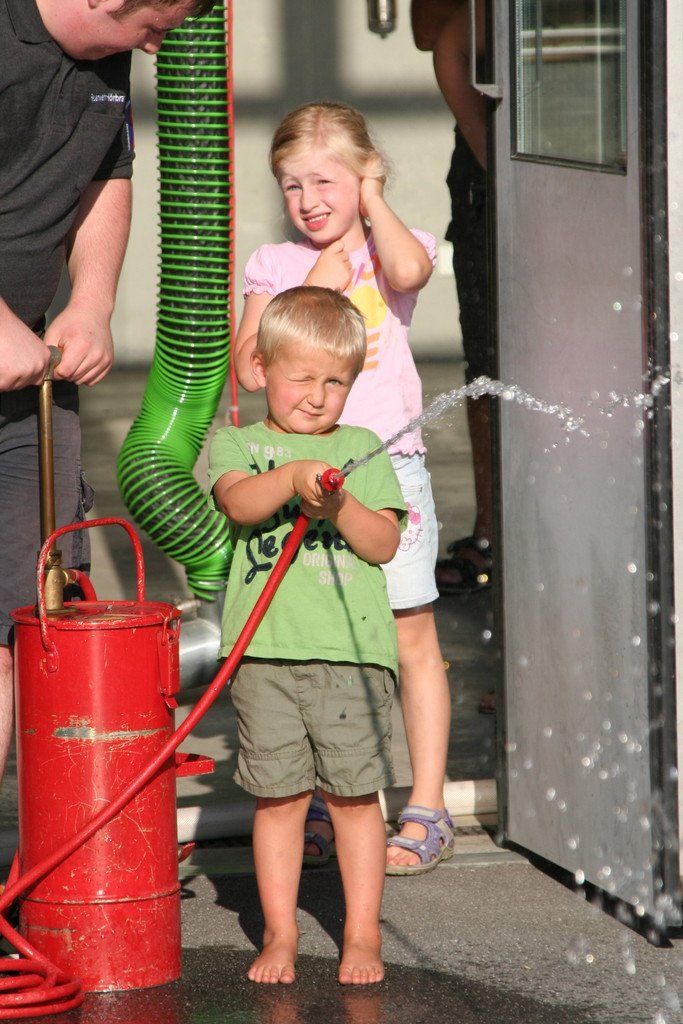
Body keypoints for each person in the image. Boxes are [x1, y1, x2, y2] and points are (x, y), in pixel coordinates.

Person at [233, 102, 455, 874]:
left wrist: (373, 201)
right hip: (301, 478)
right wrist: (312, 285)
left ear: (364, 176)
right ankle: (330, 797)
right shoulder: (275, 265)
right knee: (323, 641)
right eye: (291, 185)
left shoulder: (391, 250)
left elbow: (411, 273)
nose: (307, 200)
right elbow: (248, 370)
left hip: (390, 473)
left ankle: (426, 803)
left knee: (408, 635)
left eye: (325, 181)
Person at [0, 0, 215, 786]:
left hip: (27, 386)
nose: (157, 47)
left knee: (18, 622)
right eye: (155, 24)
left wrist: (91, 304)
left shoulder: (106, 55)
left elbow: (105, 175)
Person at [209, 286, 407, 984]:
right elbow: (239, 502)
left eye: (336, 382)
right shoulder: (239, 442)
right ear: (261, 368)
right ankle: (281, 933)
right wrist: (293, 477)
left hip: (351, 658)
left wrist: (340, 503)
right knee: (280, 798)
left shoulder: (360, 450)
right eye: (301, 378)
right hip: (264, 655)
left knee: (354, 799)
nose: (318, 398)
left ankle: (361, 934)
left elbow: (383, 543)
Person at [411, 0, 494, 600]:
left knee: (492, 363)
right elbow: (437, 38)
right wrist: (495, 159)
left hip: (505, 155)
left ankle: (493, 533)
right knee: (493, 363)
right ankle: (493, 531)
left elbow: (439, 40)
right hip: (499, 160)